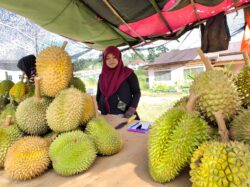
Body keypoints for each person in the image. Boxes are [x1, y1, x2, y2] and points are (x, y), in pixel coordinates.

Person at [96, 46, 141, 119]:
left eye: (114, 57)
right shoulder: (102, 76)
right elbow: (99, 95)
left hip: (124, 113)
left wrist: (132, 108)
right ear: (104, 60)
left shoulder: (128, 73)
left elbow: (136, 92)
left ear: (119, 57)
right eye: (108, 58)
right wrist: (98, 106)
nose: (111, 60)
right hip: (105, 114)